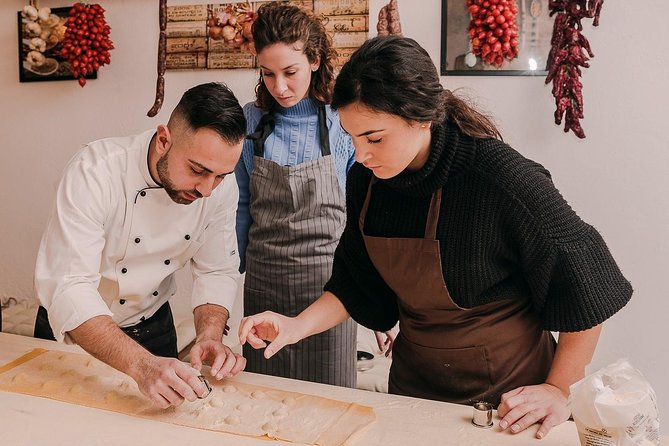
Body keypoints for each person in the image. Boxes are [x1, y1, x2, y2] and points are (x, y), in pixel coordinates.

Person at [239, 36, 633, 438]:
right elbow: (355, 285)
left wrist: (557, 389)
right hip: (414, 393)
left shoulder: (501, 179)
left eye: (374, 138)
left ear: (422, 118)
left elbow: (589, 284)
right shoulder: (369, 180)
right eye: (351, 136)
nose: (360, 155)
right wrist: (294, 327)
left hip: (508, 405)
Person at [34, 82, 248, 409]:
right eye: (197, 170)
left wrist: (209, 336)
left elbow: (217, 268)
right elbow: (69, 287)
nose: (208, 189)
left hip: (155, 329)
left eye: (219, 176)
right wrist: (142, 365)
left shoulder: (220, 186)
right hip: (80, 334)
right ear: (164, 139)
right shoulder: (95, 171)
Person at [234, 2, 361, 387]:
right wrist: (229, 276)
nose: (280, 87)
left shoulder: (344, 121)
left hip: (329, 289)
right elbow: (241, 206)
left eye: (290, 72)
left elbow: (359, 212)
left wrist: (373, 297)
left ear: (316, 60)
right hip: (263, 284)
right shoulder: (249, 120)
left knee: (332, 399)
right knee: (263, 396)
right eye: (268, 74)